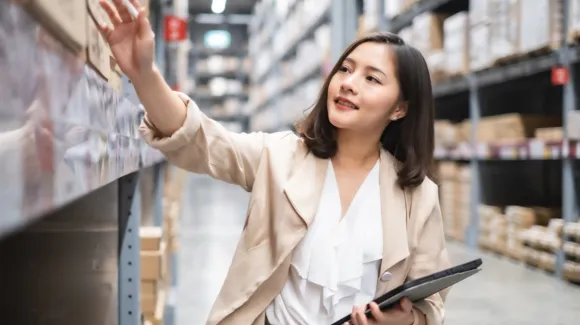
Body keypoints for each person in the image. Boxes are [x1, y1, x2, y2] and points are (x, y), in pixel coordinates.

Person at [99, 1, 450, 324]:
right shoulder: (281, 156)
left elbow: (431, 304)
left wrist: (406, 321)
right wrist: (143, 75)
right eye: (345, 69)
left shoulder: (417, 197)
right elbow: (200, 140)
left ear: (400, 108)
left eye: (371, 78)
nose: (348, 84)